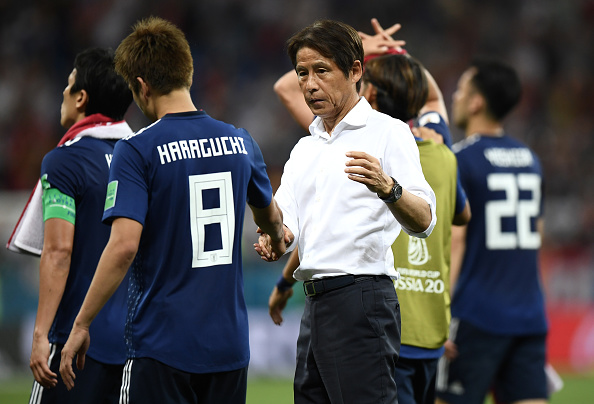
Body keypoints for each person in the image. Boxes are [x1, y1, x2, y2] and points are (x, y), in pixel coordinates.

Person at [58, 17, 287, 404]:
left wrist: (81, 323)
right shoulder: (240, 141)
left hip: (162, 348)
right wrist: (277, 239)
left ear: (141, 86)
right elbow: (270, 218)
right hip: (229, 349)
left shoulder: (136, 150)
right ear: (188, 73)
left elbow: (124, 246)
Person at [268, 18, 470, 404]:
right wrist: (273, 239)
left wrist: (388, 188)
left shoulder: (389, 132)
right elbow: (288, 225)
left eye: (322, 71)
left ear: (356, 71)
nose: (309, 84)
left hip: (362, 300)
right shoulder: (305, 148)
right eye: (302, 73)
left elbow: (426, 220)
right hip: (314, 307)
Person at [435, 59, 548, 404]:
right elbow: (537, 238)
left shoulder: (459, 159)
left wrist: (440, 314)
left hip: (476, 315)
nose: (453, 96)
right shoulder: (530, 159)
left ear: (476, 102)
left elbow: (456, 241)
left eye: (461, 89)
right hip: (529, 315)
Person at [25, 47, 134, 404]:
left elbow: (58, 251)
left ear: (82, 98)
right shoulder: (140, 158)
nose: (63, 92)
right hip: (135, 344)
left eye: (69, 84)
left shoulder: (64, 162)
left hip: (74, 341)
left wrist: (41, 335)